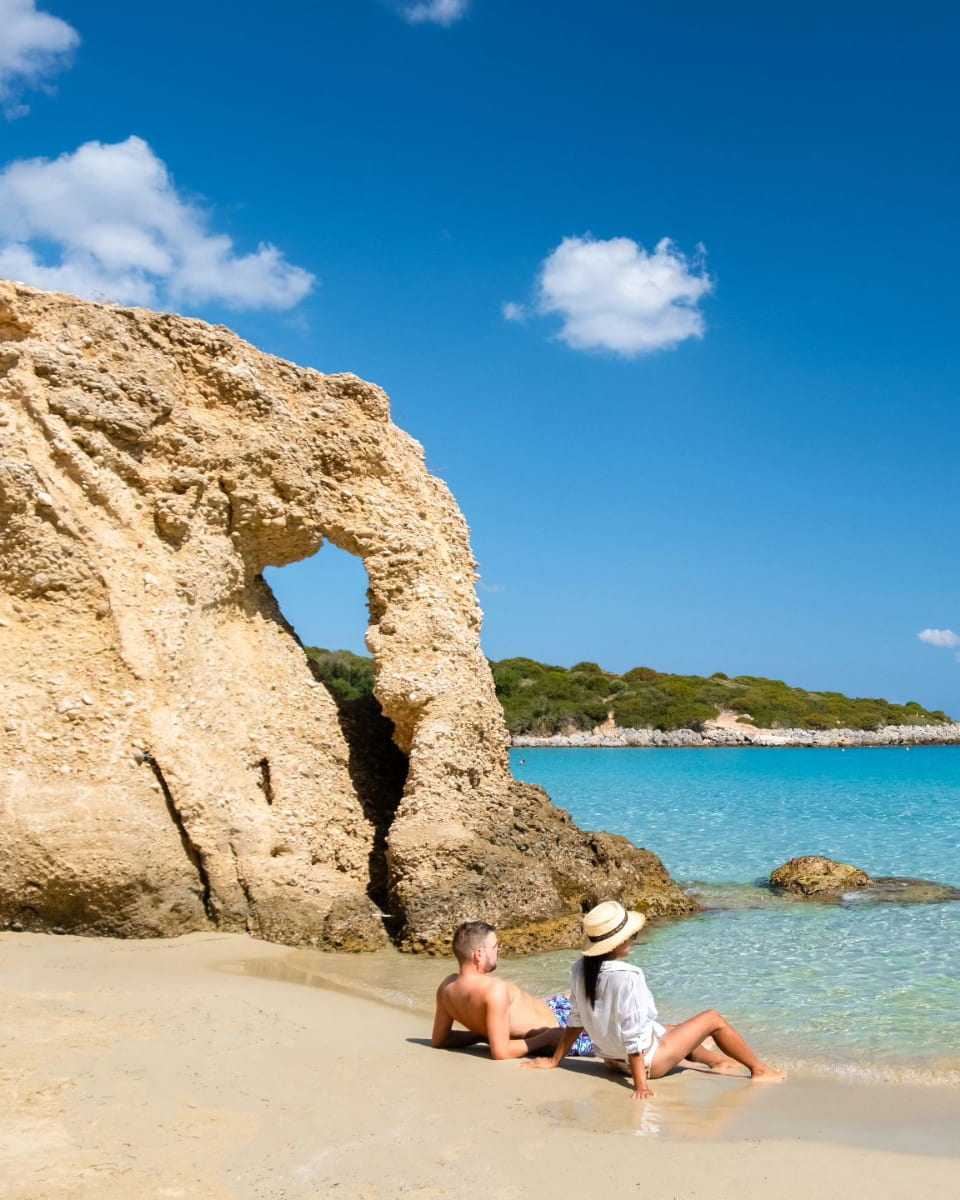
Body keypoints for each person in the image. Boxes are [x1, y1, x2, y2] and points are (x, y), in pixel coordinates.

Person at [526, 900, 786, 1099]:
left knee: (673, 1029)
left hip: (611, 1061)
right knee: (713, 1019)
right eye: (632, 935)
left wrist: (554, 1060)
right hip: (646, 1066)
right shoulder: (629, 976)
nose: (634, 940)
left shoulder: (580, 969)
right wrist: (641, 1086)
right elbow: (634, 1032)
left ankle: (718, 1062)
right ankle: (759, 1070)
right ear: (619, 942)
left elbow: (576, 1021)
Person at [432, 921, 593, 1060]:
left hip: (552, 1009)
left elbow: (440, 1039)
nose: (499, 951)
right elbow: (501, 1052)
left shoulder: (447, 987)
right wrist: (547, 1038)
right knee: (603, 1007)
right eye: (495, 946)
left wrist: (482, 1035)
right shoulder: (494, 990)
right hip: (561, 1032)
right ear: (479, 955)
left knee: (581, 992)